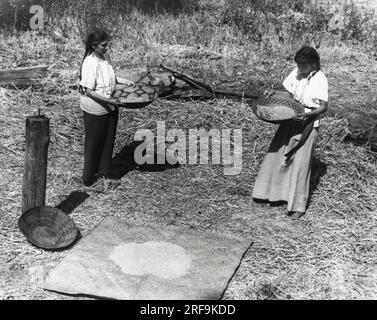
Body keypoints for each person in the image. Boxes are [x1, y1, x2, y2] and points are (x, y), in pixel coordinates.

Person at [252, 46, 328, 219]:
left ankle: (298, 206)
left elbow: (323, 107)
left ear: (314, 64)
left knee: (301, 164)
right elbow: (288, 92)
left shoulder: (320, 79)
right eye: (298, 64)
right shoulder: (297, 72)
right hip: (291, 118)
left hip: (308, 122)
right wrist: (274, 92)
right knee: (277, 156)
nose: (300, 67)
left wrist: (307, 114)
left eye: (304, 65)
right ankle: (271, 194)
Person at [79, 29, 134, 187]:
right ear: (94, 46)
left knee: (107, 140)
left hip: (109, 106)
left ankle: (103, 172)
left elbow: (111, 76)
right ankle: (88, 178)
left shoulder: (104, 58)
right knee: (94, 142)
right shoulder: (90, 63)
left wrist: (125, 82)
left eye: (107, 45)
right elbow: (88, 91)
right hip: (95, 108)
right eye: (104, 45)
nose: (107, 48)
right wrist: (111, 102)